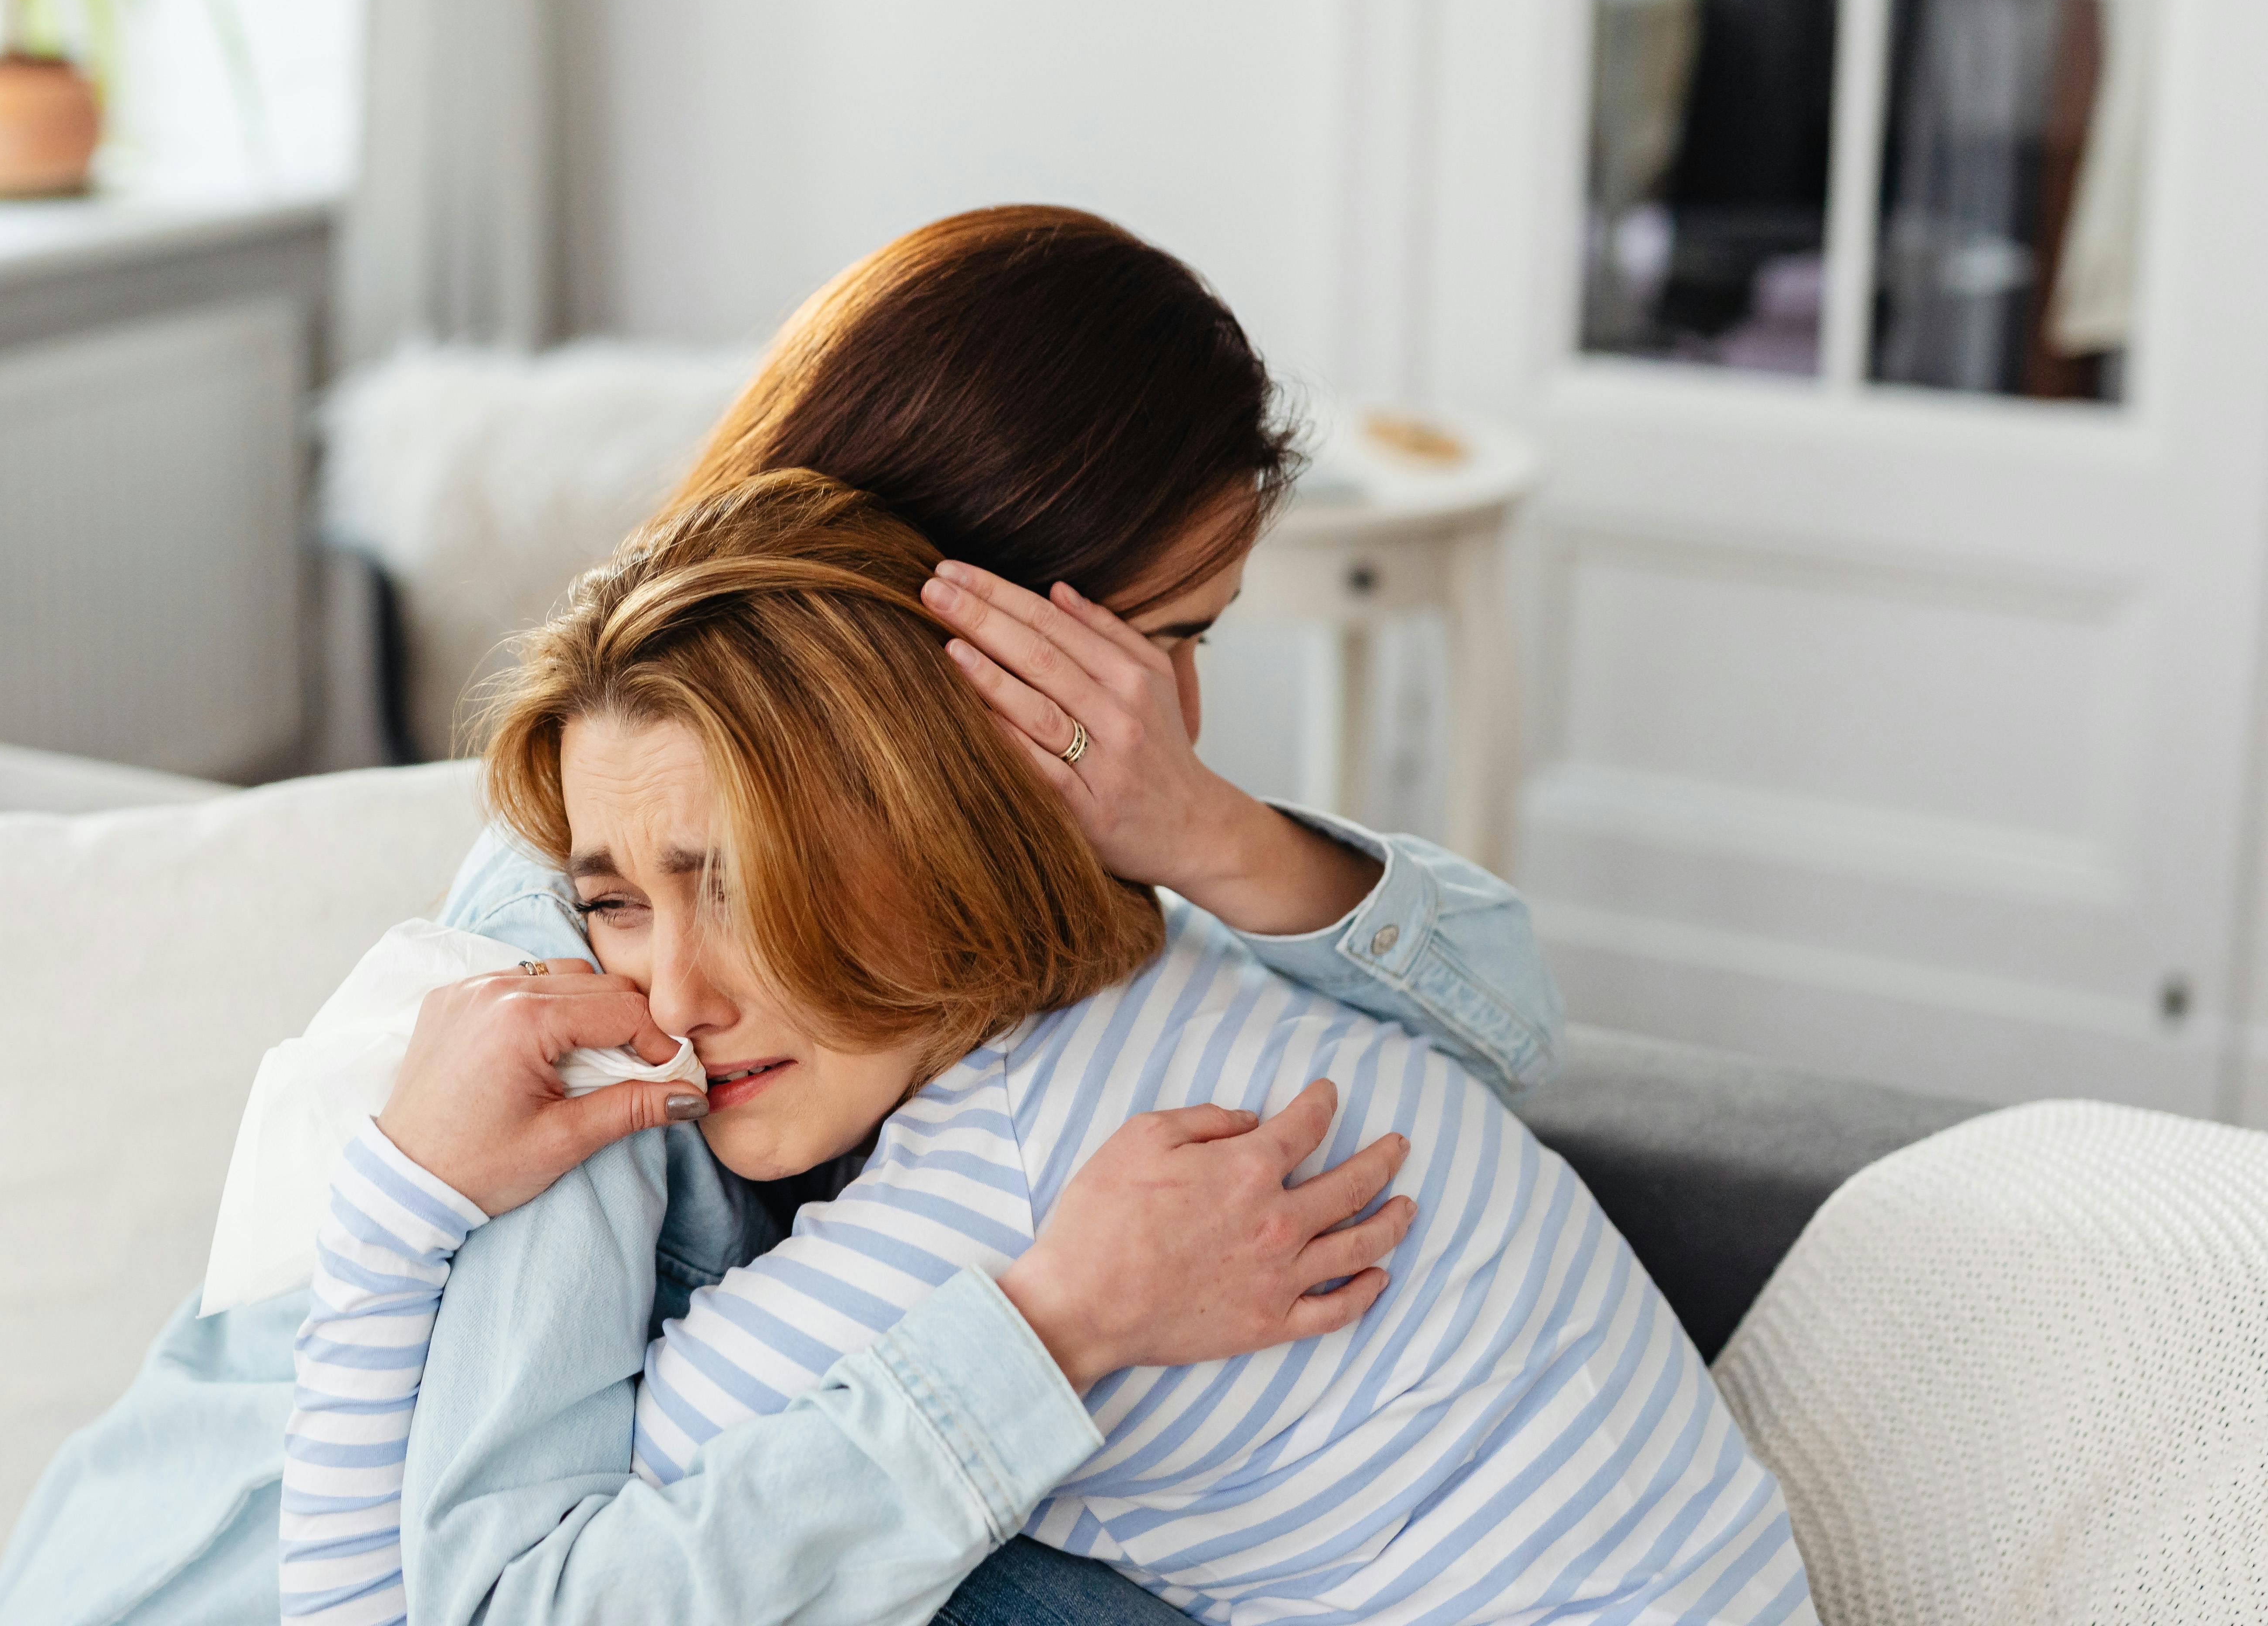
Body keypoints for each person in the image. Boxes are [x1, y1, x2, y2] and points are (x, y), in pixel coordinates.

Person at [0, 207, 1560, 1626]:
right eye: (1151, 641)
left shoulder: (1006, 847)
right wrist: (1058, 1327)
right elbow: (499, 1599)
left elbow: (1509, 1036)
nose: (1174, 711)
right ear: (940, 625)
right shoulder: (597, 993)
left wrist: (1206, 831)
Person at [289, 471, 1809, 1625]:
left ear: (923, 830)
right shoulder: (1181, 979)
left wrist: (393, 1217)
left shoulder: (1011, 1185)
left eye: (739, 882)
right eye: (614, 907)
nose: (673, 996)